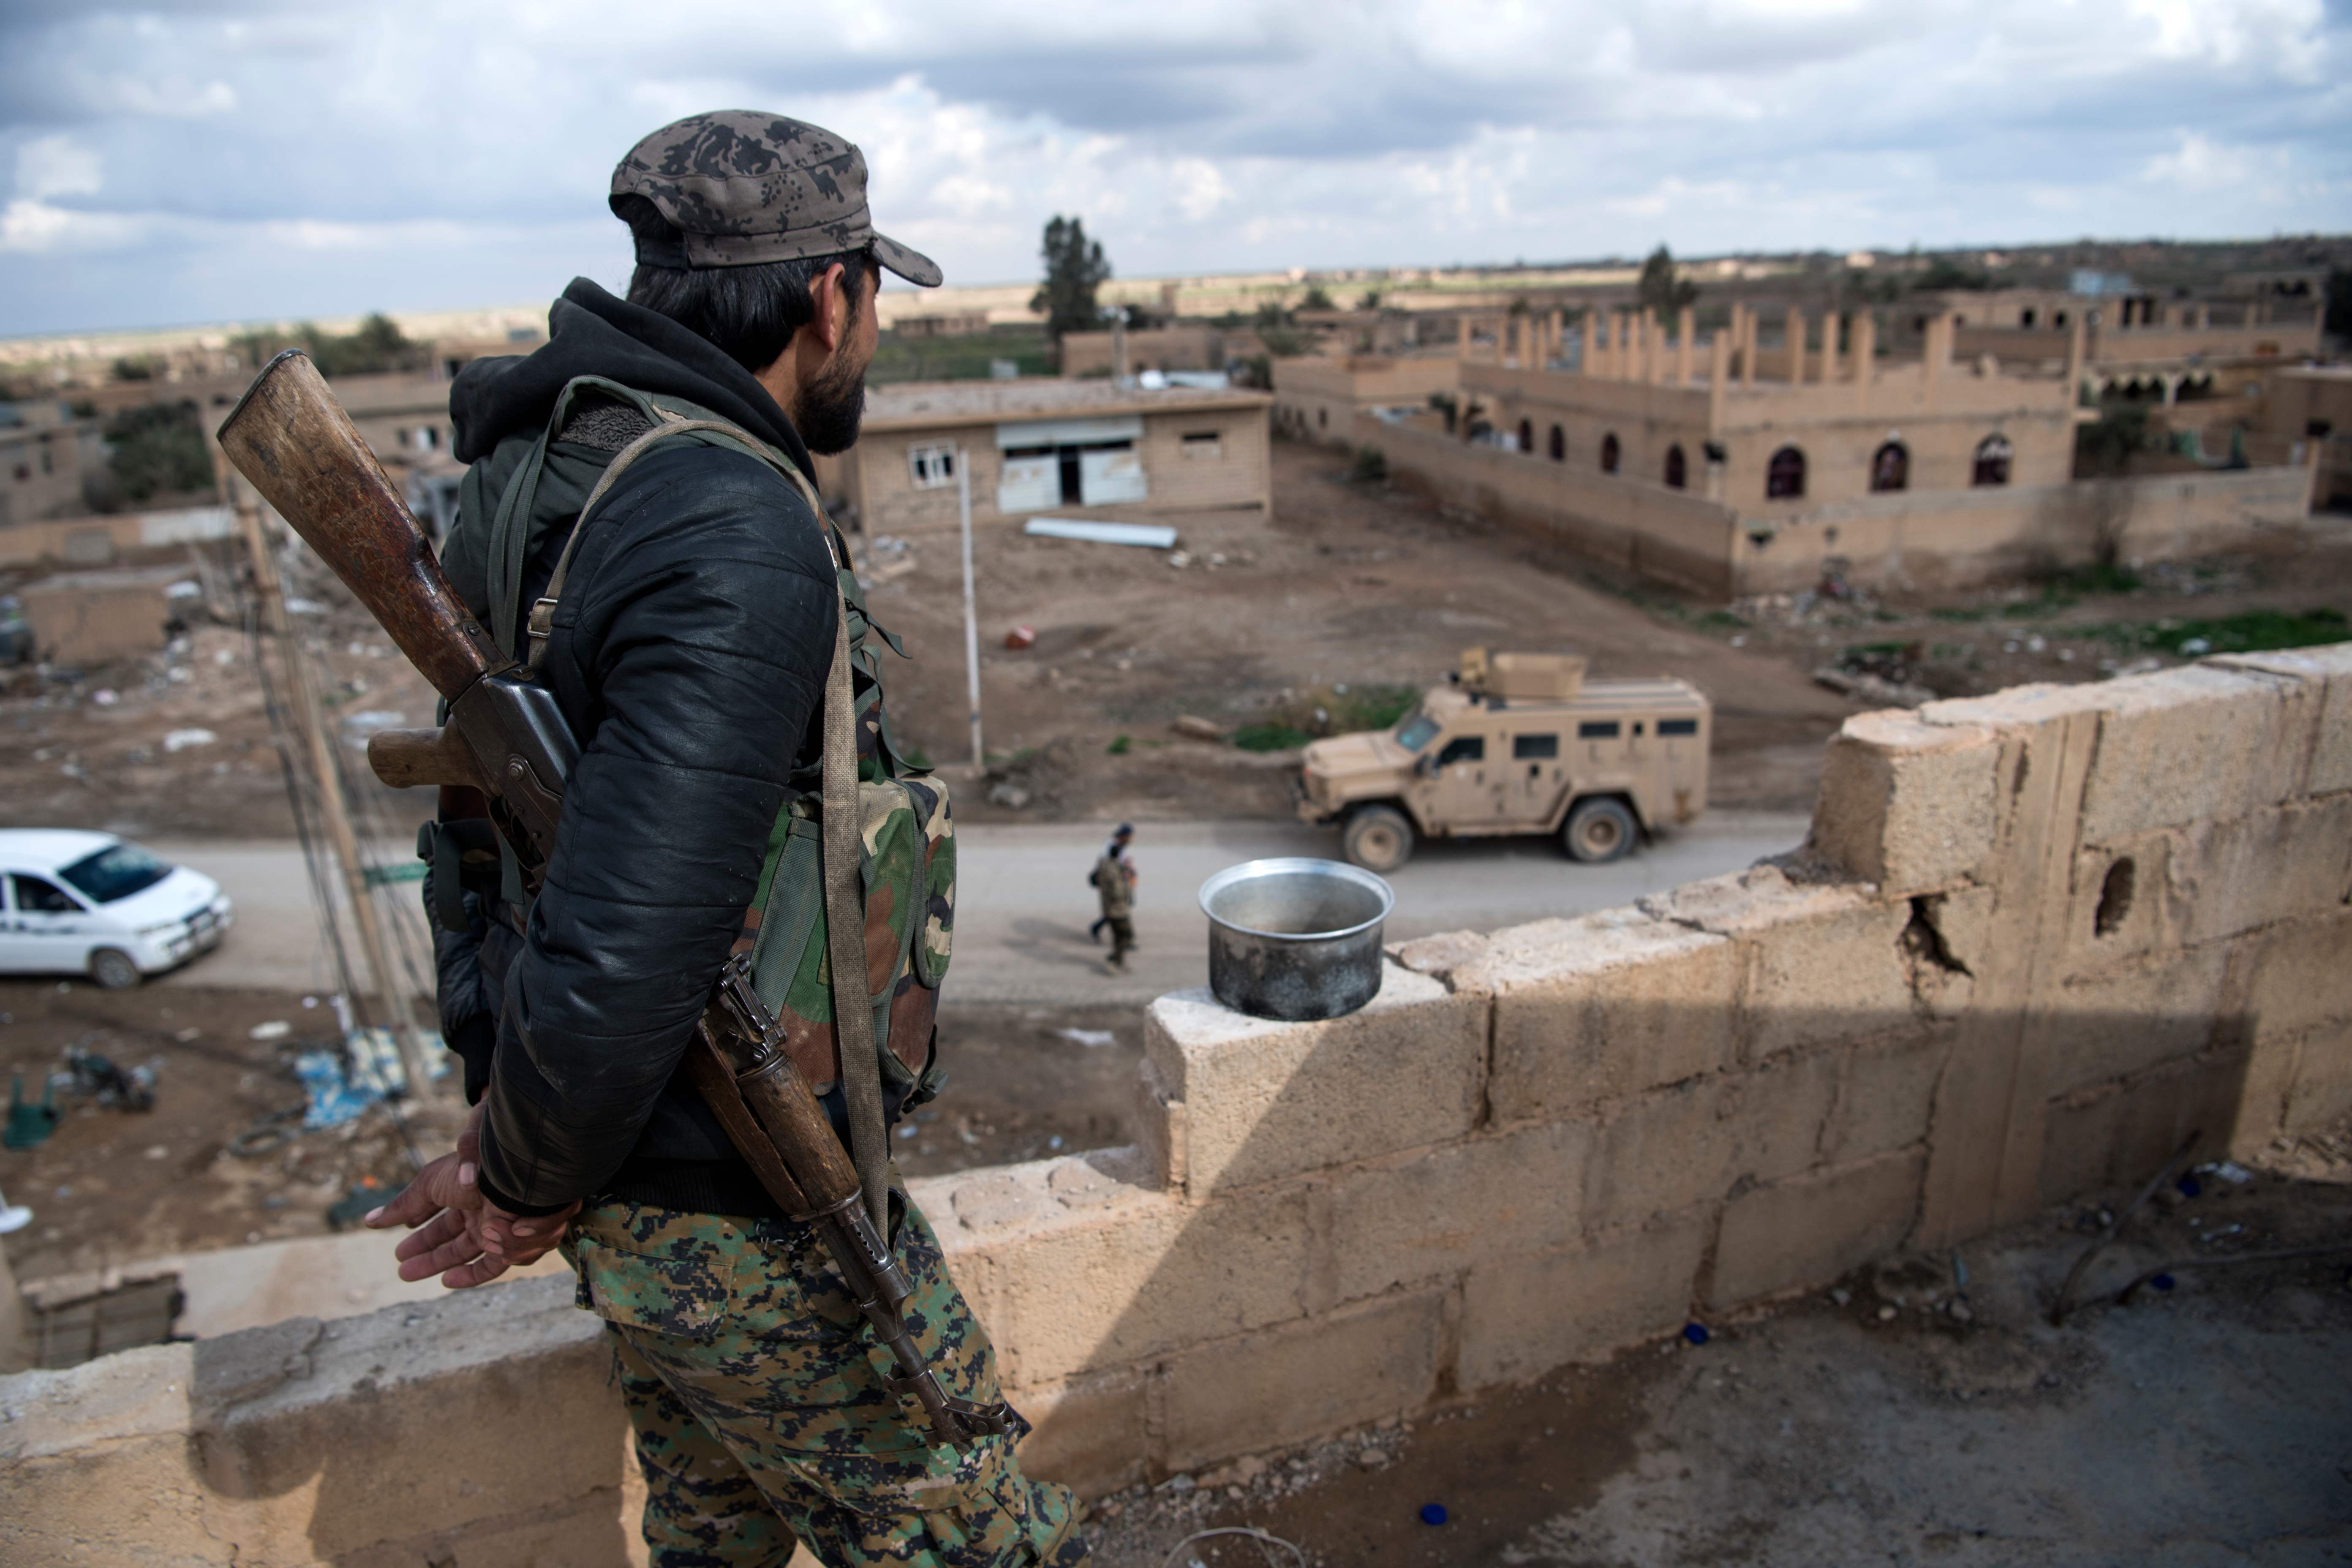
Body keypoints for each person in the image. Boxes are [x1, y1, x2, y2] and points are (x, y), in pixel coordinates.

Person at [365, 112, 1086, 1568]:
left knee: (718, 1530)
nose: (870, 333)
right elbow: (630, 936)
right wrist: (518, 1181)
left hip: (638, 1167)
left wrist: (512, 1117)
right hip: (731, 1189)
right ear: (829, 297)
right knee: (983, 1537)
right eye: (873, 297)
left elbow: (513, 834)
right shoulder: (728, 522)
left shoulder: (552, 469)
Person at [1089, 824, 1137, 971]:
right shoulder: (1111, 852)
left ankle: (1116, 956)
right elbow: (1117, 890)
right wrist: (1128, 893)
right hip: (1117, 905)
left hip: (1112, 900)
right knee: (1124, 933)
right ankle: (1116, 960)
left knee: (1116, 926)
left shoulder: (1118, 850)